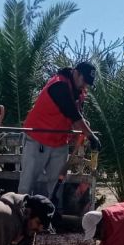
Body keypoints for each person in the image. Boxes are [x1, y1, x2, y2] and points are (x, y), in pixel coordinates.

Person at [20, 62, 99, 198]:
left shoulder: (80, 93)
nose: (85, 85)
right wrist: (91, 136)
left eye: (88, 83)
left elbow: (77, 119)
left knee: (56, 186)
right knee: (27, 184)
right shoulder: (58, 85)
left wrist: (83, 126)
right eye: (84, 81)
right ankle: (20, 208)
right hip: (38, 139)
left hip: (59, 142)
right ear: (76, 73)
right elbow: (73, 114)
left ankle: (53, 209)